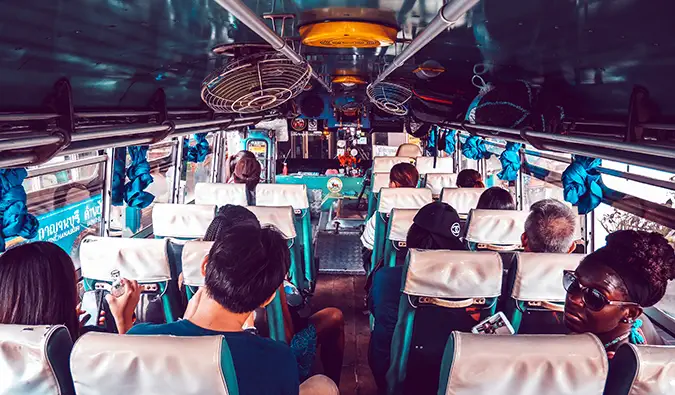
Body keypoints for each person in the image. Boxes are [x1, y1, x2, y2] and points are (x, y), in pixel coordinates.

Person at [129, 223, 338, 395]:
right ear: (268, 298)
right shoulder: (277, 359)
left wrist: (124, 320)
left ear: (204, 266)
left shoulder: (139, 339)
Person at [203, 206, 345, 386]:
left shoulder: (191, 272)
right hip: (266, 349)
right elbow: (287, 339)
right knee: (334, 317)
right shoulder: (262, 277)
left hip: (216, 350)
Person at [368, 202, 466, 391]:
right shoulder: (474, 285)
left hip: (398, 372)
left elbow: (376, 311)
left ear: (412, 237)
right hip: (456, 372)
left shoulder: (386, 278)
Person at [563, 230, 675, 358]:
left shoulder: (605, 368)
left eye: (594, 296)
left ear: (630, 313)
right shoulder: (632, 326)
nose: (573, 298)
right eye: (573, 282)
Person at [0, 241, 141, 339]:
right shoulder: (76, 351)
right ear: (63, 296)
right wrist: (124, 320)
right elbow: (125, 375)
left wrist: (70, 325)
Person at [361, 163, 419, 271]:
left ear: (393, 184)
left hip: (385, 262)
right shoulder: (426, 206)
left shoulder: (385, 206)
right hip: (417, 262)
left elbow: (368, 243)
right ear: (416, 183)